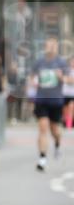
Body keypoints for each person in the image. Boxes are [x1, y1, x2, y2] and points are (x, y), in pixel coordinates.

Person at [30, 38, 67, 171]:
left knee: (55, 130)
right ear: (44, 47)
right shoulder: (39, 62)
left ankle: (57, 143)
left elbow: (70, 79)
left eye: (53, 46)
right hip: (41, 100)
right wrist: (33, 83)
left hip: (56, 100)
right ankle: (42, 158)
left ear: (57, 47)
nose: (50, 48)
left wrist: (61, 77)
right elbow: (31, 77)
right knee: (43, 128)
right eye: (48, 45)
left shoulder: (61, 62)